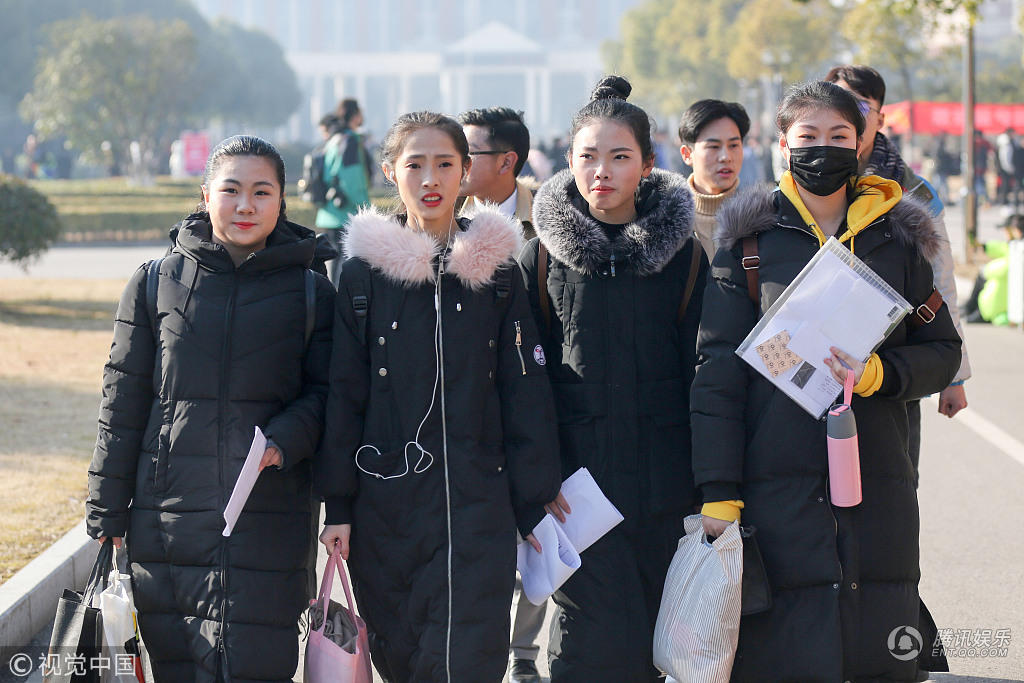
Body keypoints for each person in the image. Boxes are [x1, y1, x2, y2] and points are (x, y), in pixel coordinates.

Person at [692, 81, 962, 681]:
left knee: (876, 643)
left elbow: (943, 351)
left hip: (878, 472)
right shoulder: (749, 243)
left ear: (862, 142)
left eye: (840, 136)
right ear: (782, 142)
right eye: (808, 136)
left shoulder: (900, 236)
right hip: (775, 481)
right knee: (788, 649)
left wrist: (879, 374)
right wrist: (718, 490)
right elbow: (716, 376)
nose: (824, 149)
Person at [316, 111, 563, 683]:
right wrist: (339, 507)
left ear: (465, 171)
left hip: (482, 503)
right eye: (415, 164)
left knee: (471, 658)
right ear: (389, 172)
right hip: (388, 507)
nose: (431, 178)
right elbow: (344, 393)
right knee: (403, 656)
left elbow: (523, 386)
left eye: (445, 164)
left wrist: (533, 496)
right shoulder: (360, 274)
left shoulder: (497, 269)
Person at [86, 135, 335, 682]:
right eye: (231, 190)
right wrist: (107, 507)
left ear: (282, 201)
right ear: (205, 195)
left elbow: (329, 396)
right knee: (178, 661)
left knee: (260, 664)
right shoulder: (155, 282)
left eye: (261, 192)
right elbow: (123, 397)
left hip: (269, 511)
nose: (245, 205)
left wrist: (283, 440)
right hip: (170, 515)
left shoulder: (314, 290)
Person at [520, 75, 705, 682]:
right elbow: (525, 380)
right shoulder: (541, 255)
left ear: (647, 165)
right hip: (577, 485)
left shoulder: (683, 254)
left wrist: (713, 480)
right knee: (587, 646)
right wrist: (539, 474)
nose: (602, 170)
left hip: (668, 479)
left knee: (664, 639)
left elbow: (703, 372)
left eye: (620, 157)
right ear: (567, 161)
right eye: (588, 156)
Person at [825, 65, 971, 477]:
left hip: (895, 369)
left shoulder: (914, 192)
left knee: (894, 492)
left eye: (859, 105)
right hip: (819, 365)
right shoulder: (805, 182)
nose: (848, 115)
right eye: (837, 103)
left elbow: (941, 284)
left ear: (880, 117)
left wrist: (953, 376)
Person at [451, 105, 544, 683]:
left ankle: (526, 651)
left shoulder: (554, 220)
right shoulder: (436, 221)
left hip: (535, 394)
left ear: (506, 162)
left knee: (539, 527)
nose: (453, 167)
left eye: (467, 156)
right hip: (468, 405)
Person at [678, 98, 750, 258]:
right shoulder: (665, 224)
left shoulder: (760, 220)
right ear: (687, 154)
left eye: (733, 146)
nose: (726, 157)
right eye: (713, 147)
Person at [458, 107, 540, 241]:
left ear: (506, 163)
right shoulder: (440, 213)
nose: (457, 163)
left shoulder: (551, 218)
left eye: (468, 153)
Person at [316, 98, 372, 288]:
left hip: (330, 211)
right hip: (346, 213)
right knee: (345, 269)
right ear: (355, 115)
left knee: (332, 265)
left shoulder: (334, 139)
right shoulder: (350, 140)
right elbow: (352, 178)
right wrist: (364, 209)